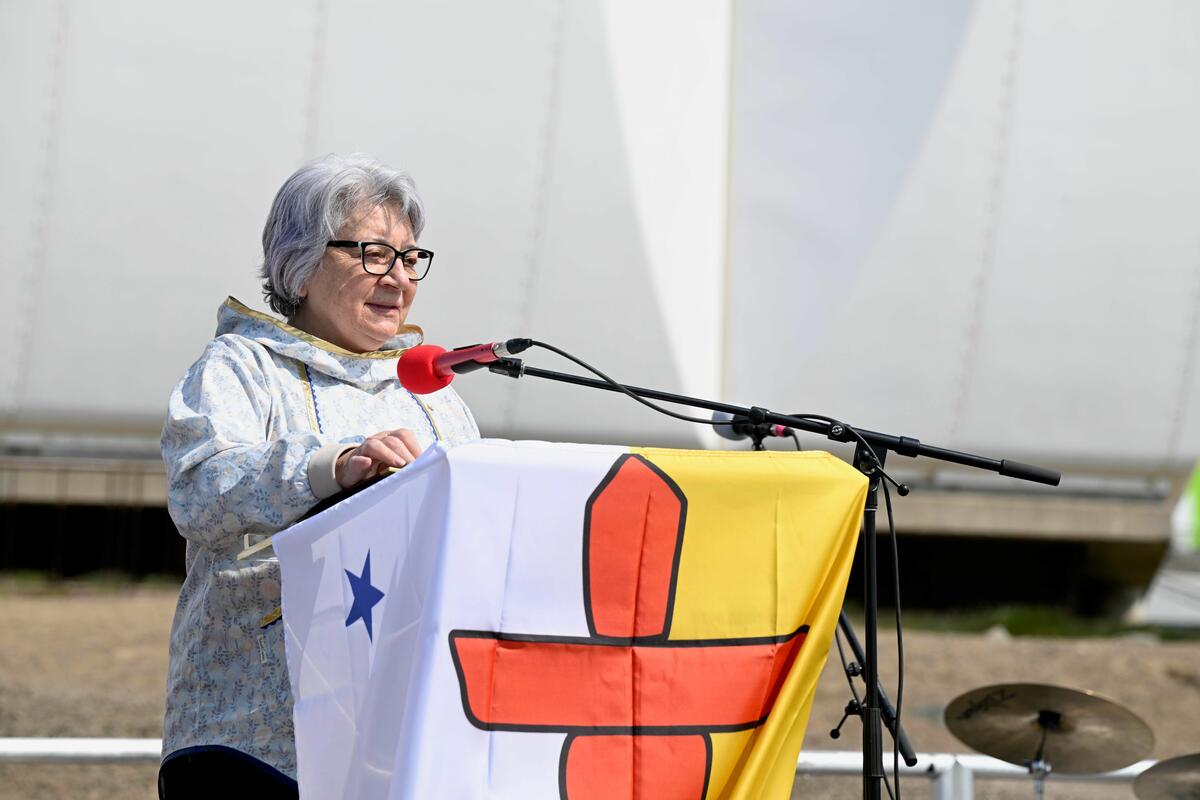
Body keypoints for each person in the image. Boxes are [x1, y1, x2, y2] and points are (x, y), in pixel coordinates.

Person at [156, 154, 479, 798]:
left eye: (410, 258)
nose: (399, 279)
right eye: (373, 253)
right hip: (254, 737)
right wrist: (330, 467)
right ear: (301, 267)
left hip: (399, 738)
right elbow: (200, 493)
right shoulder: (241, 368)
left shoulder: (431, 392)